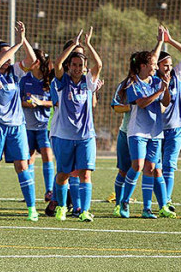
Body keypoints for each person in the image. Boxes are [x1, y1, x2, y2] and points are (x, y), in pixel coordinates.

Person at [0, 21, 38, 221]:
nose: (8, 57)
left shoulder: (15, 72)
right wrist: (15, 46)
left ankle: (31, 209)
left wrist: (23, 40)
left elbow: (32, 59)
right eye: (4, 54)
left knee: (22, 166)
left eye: (9, 55)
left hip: (16, 126)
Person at [119, 27, 176, 219]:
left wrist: (165, 89)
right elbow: (142, 103)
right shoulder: (132, 83)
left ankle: (147, 208)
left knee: (151, 169)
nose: (155, 66)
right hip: (137, 132)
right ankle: (124, 202)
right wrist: (159, 91)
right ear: (143, 66)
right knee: (137, 165)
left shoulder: (155, 81)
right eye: (152, 64)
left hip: (155, 132)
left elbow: (166, 103)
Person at [51, 27, 102, 222]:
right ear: (69, 66)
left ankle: (84, 210)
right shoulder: (63, 81)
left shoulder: (88, 82)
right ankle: (62, 207)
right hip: (64, 135)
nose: (77, 68)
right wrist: (74, 43)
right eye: (74, 64)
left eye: (80, 65)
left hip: (86, 135)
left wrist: (88, 44)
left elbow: (99, 64)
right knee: (63, 174)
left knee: (85, 173)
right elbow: (57, 63)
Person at [153, 27, 181, 212]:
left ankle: (166, 202)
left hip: (176, 129)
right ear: (158, 66)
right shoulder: (152, 80)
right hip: (156, 131)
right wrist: (159, 43)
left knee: (169, 166)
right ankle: (160, 201)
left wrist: (170, 41)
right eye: (164, 65)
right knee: (155, 167)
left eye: (170, 64)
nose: (168, 67)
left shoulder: (177, 76)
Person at [19, 49, 54, 202]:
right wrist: (26, 104)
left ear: (37, 63)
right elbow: (17, 101)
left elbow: (55, 102)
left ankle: (49, 191)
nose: (25, 61)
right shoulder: (24, 80)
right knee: (28, 159)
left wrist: (41, 103)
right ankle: (31, 190)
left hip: (44, 127)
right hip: (27, 127)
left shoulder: (49, 81)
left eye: (28, 59)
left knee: (47, 157)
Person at [110, 74, 132, 217]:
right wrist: (131, 107)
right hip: (126, 133)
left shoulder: (156, 82)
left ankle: (157, 205)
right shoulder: (125, 84)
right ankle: (120, 204)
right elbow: (116, 106)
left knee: (153, 170)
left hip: (150, 135)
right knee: (123, 171)